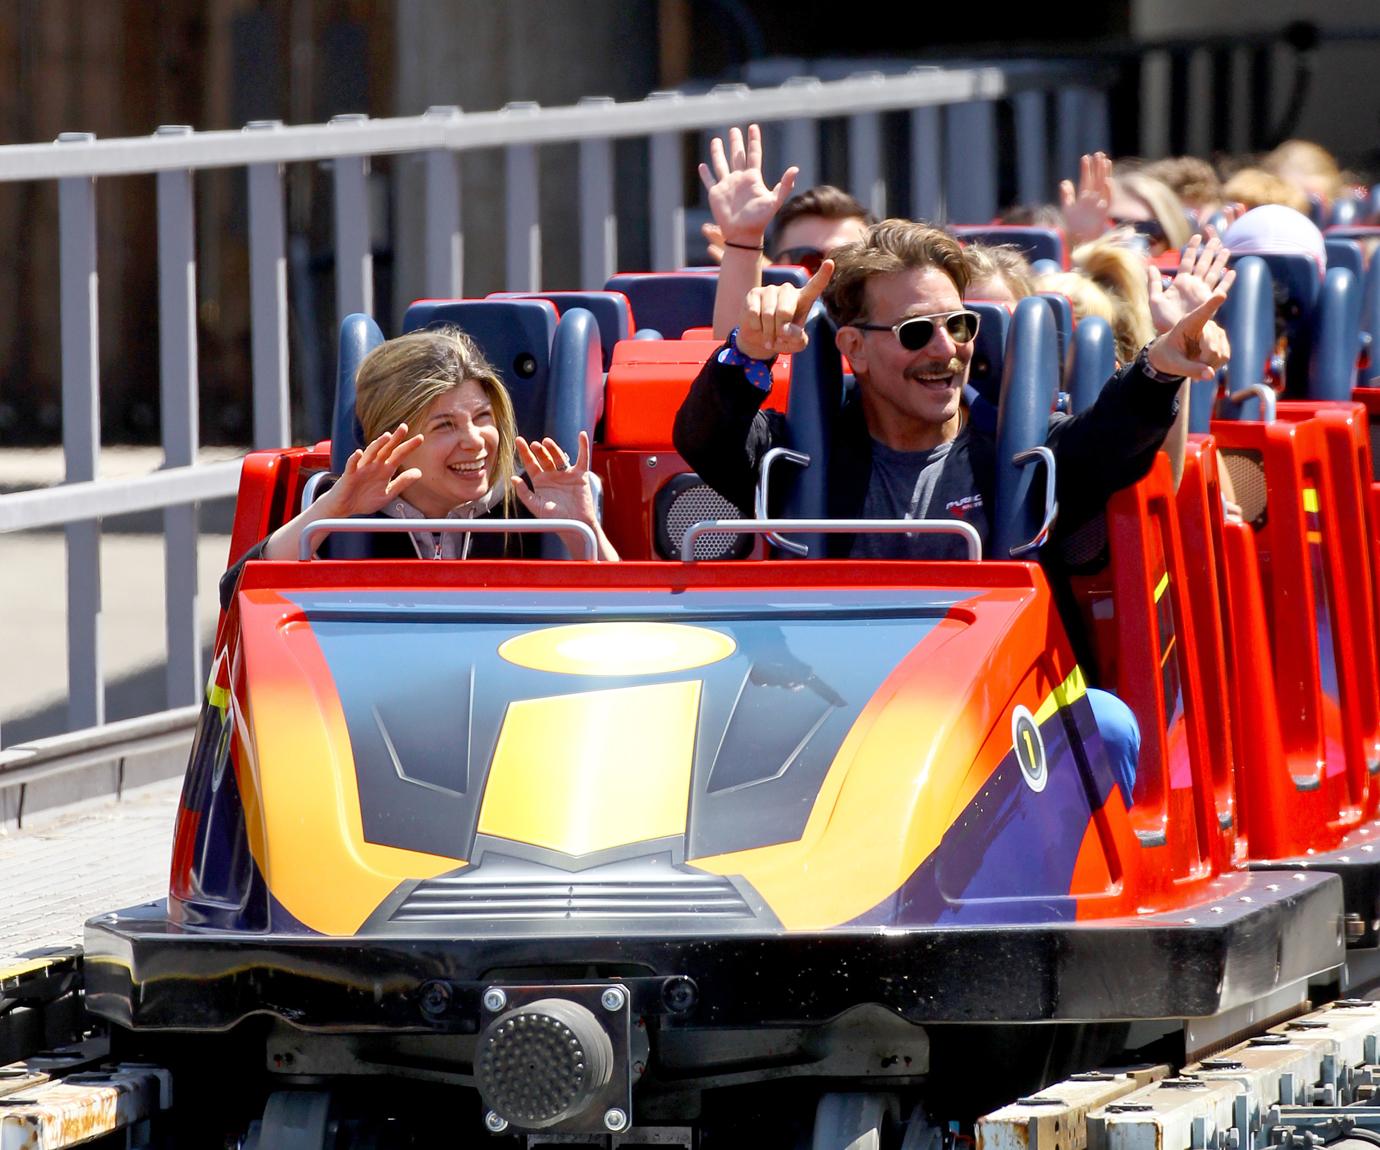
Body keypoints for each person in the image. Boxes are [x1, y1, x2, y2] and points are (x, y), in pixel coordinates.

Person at [673, 220, 1230, 805]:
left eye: (959, 326)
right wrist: (748, 352)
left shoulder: (1019, 450)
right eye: (916, 333)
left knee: (1105, 722)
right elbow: (704, 437)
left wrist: (1160, 368)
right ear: (854, 349)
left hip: (998, 726)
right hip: (833, 721)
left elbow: (1109, 441)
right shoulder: (799, 455)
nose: (945, 350)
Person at [220, 327, 616, 609]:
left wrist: (584, 527)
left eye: (482, 417)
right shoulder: (335, 508)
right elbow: (235, 597)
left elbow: (627, 622)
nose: (475, 441)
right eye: (445, 425)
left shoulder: (533, 503)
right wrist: (331, 511)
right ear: (393, 438)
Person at [701, 124, 870, 338]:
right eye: (808, 261)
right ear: (777, 268)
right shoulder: (760, 352)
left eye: (847, 263)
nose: (825, 279)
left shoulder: (900, 342)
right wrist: (744, 243)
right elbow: (734, 359)